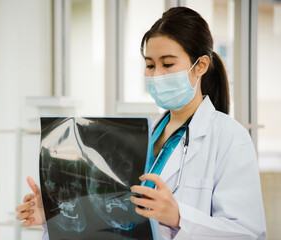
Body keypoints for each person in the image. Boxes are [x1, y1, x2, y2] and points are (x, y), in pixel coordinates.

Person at [16, 7, 266, 239]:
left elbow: (248, 233)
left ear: (200, 65)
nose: (156, 75)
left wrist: (179, 217)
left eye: (168, 64)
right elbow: (114, 213)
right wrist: (57, 214)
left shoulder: (229, 137)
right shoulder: (140, 134)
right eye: (150, 65)